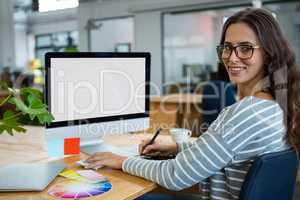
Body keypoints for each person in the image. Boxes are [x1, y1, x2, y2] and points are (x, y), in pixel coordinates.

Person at [85, 8, 300, 199]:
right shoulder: (276, 104)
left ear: (269, 52)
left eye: (245, 48)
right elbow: (227, 150)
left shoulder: (246, 113)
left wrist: (121, 161)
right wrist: (178, 146)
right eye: (227, 47)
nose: (232, 58)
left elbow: (175, 176)